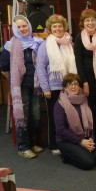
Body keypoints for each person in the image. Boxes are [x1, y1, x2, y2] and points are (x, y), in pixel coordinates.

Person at [0, 15, 44, 158]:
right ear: (15, 29)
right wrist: (14, 81)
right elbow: (3, 66)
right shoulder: (10, 45)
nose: (22, 29)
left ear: (29, 26)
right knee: (22, 117)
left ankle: (31, 143)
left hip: (36, 85)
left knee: (35, 116)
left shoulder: (38, 42)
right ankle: (23, 147)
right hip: (21, 87)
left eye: (24, 25)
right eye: (18, 27)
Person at [37, 14, 77, 155]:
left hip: (69, 88)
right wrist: (45, 88)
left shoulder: (69, 43)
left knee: (68, 115)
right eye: (54, 26)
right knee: (55, 116)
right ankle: (54, 144)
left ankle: (66, 141)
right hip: (53, 88)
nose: (58, 28)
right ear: (50, 28)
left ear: (64, 27)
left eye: (60, 26)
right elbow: (40, 67)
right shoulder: (44, 45)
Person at [53, 73, 96, 170]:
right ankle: (66, 157)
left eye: (75, 84)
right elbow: (61, 130)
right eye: (69, 84)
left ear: (79, 86)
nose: (73, 86)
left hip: (86, 137)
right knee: (89, 163)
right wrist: (80, 141)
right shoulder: (59, 104)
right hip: (66, 141)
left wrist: (91, 137)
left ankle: (82, 151)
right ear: (65, 87)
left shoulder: (85, 100)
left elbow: (92, 122)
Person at [74, 9, 96, 143]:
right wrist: (85, 82)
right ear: (83, 23)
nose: (90, 22)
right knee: (89, 109)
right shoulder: (79, 38)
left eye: (92, 20)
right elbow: (78, 62)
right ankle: (91, 137)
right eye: (87, 20)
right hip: (87, 79)